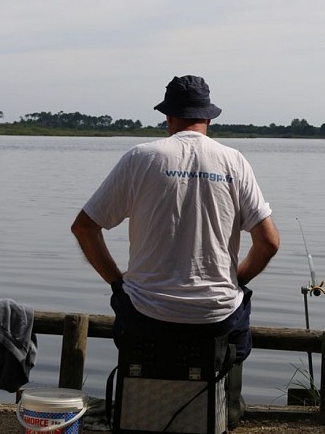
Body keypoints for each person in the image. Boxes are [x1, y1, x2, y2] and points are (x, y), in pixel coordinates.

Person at [70, 74, 280, 428]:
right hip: (215, 319)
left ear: (168, 117)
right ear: (209, 117)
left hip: (145, 316)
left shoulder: (141, 157)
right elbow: (270, 242)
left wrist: (118, 282)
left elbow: (84, 227)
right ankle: (224, 413)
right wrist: (236, 280)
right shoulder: (234, 161)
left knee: (136, 325)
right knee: (236, 333)